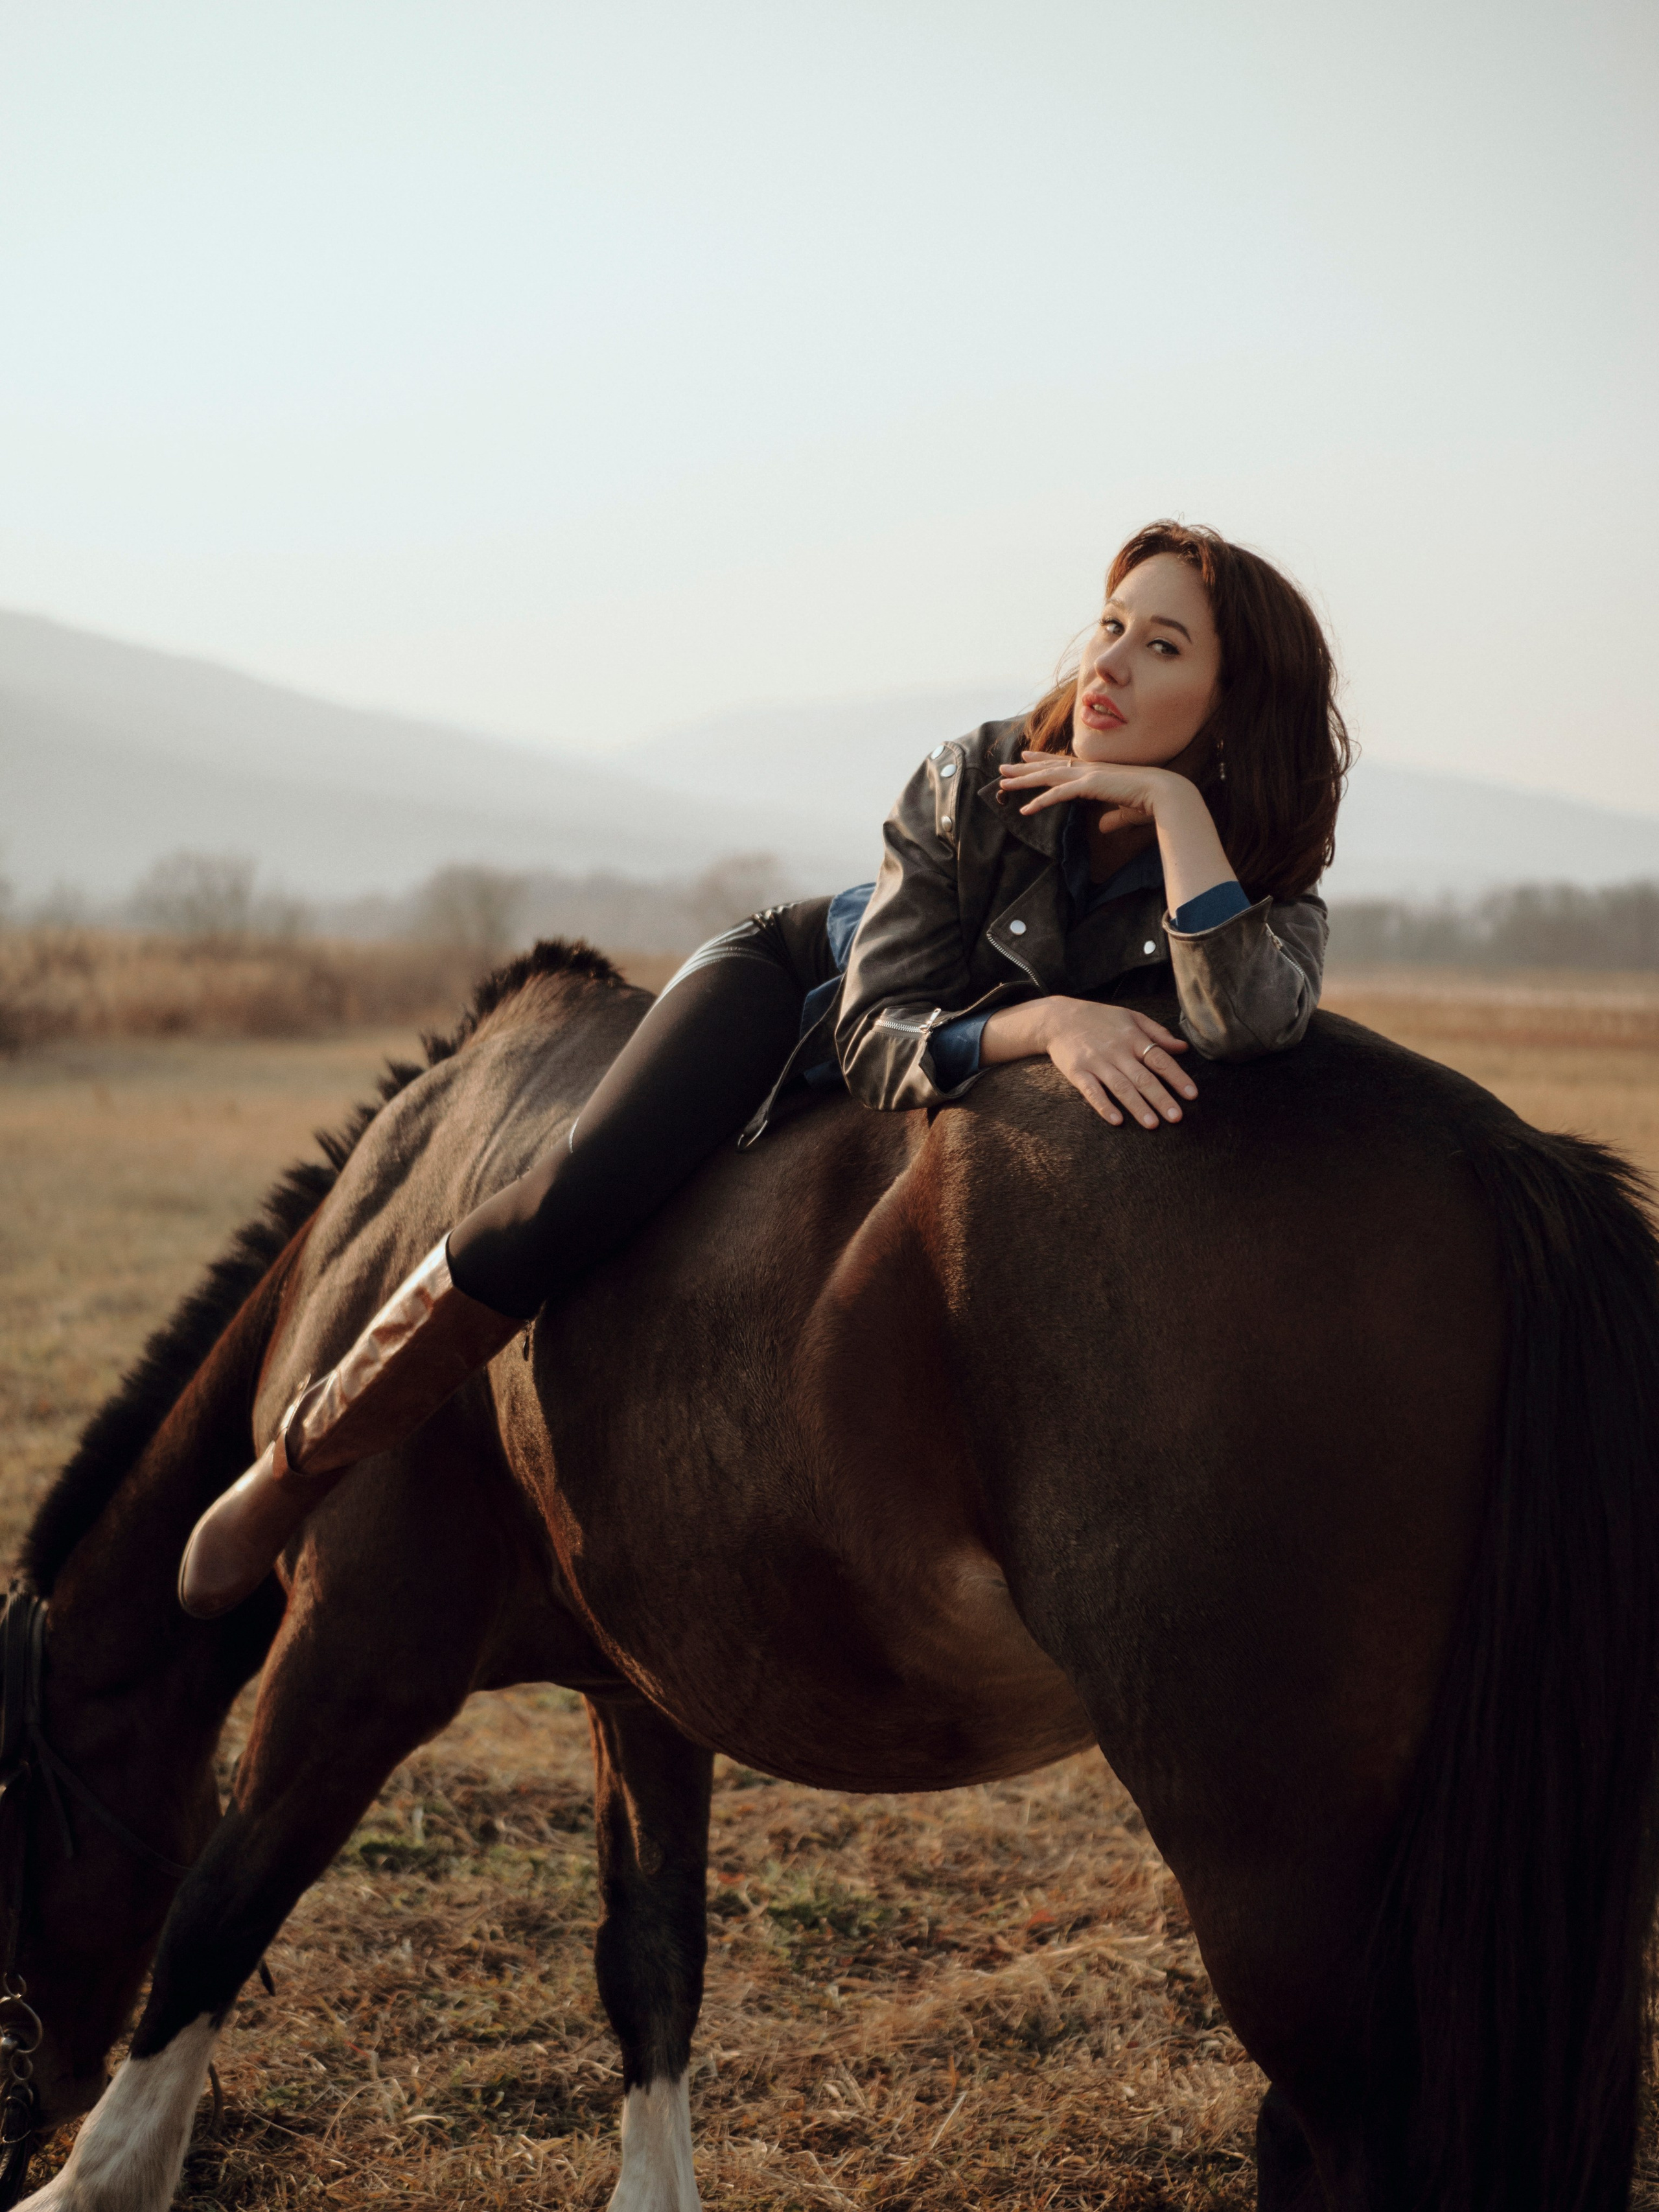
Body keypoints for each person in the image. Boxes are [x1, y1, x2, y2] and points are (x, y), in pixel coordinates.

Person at [178, 520, 1349, 1618]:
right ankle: (295, 1464)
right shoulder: (973, 779)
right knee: (570, 1199)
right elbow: (874, 1028)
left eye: (1162, 646)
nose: (1110, 665)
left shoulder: (1258, 862)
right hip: (799, 987)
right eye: (1110, 625)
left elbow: (1247, 1023)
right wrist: (1040, 1023)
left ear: (1233, 705)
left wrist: (1173, 801)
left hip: (1063, 917)